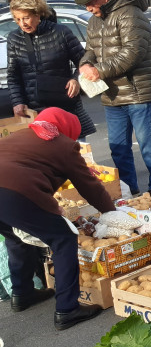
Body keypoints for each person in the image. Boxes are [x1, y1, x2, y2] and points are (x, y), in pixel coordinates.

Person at [0, 108, 115, 330]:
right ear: (69, 129)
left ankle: (22, 293)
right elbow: (89, 185)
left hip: (9, 194)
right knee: (63, 238)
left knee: (16, 235)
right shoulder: (64, 144)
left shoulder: (23, 134)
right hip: (13, 192)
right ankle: (67, 309)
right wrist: (110, 211)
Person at [74, 0, 151, 198]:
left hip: (138, 92)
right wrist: (85, 63)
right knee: (118, 147)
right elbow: (90, 49)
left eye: (91, 4)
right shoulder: (94, 21)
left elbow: (132, 53)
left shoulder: (131, 14)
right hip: (111, 94)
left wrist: (100, 70)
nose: (89, 10)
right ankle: (127, 189)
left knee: (148, 145)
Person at [6, 0, 95, 137]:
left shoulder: (61, 33)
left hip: (65, 106)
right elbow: (13, 75)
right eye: (17, 19)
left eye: (26, 18)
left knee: (75, 153)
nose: (23, 24)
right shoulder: (14, 39)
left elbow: (85, 61)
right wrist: (17, 102)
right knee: (45, 157)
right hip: (35, 110)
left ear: (38, 14)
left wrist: (76, 79)